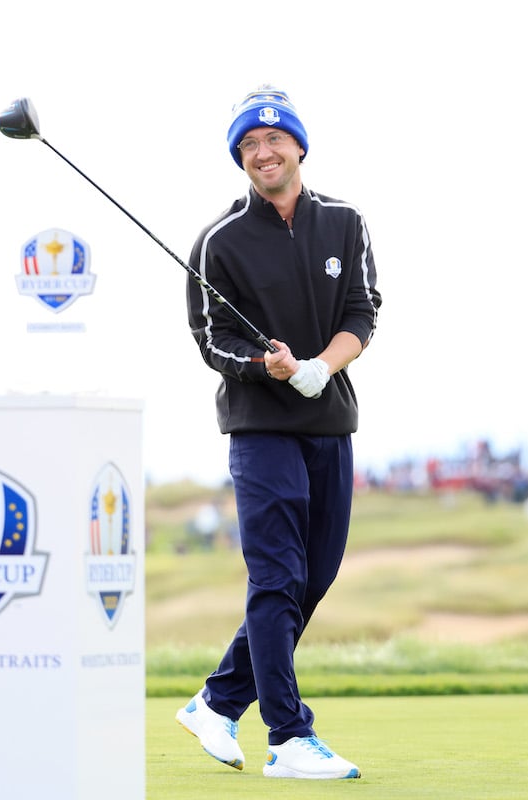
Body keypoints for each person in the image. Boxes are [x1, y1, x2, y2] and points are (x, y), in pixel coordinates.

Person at [176, 85, 380, 781]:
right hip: (260, 427)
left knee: (311, 580)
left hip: (328, 419)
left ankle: (218, 698)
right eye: (248, 146)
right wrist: (268, 366)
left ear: (298, 146)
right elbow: (212, 340)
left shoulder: (345, 223)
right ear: (242, 158)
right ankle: (288, 738)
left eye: (273, 140)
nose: (263, 153)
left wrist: (323, 366)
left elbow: (363, 310)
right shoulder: (218, 242)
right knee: (277, 576)